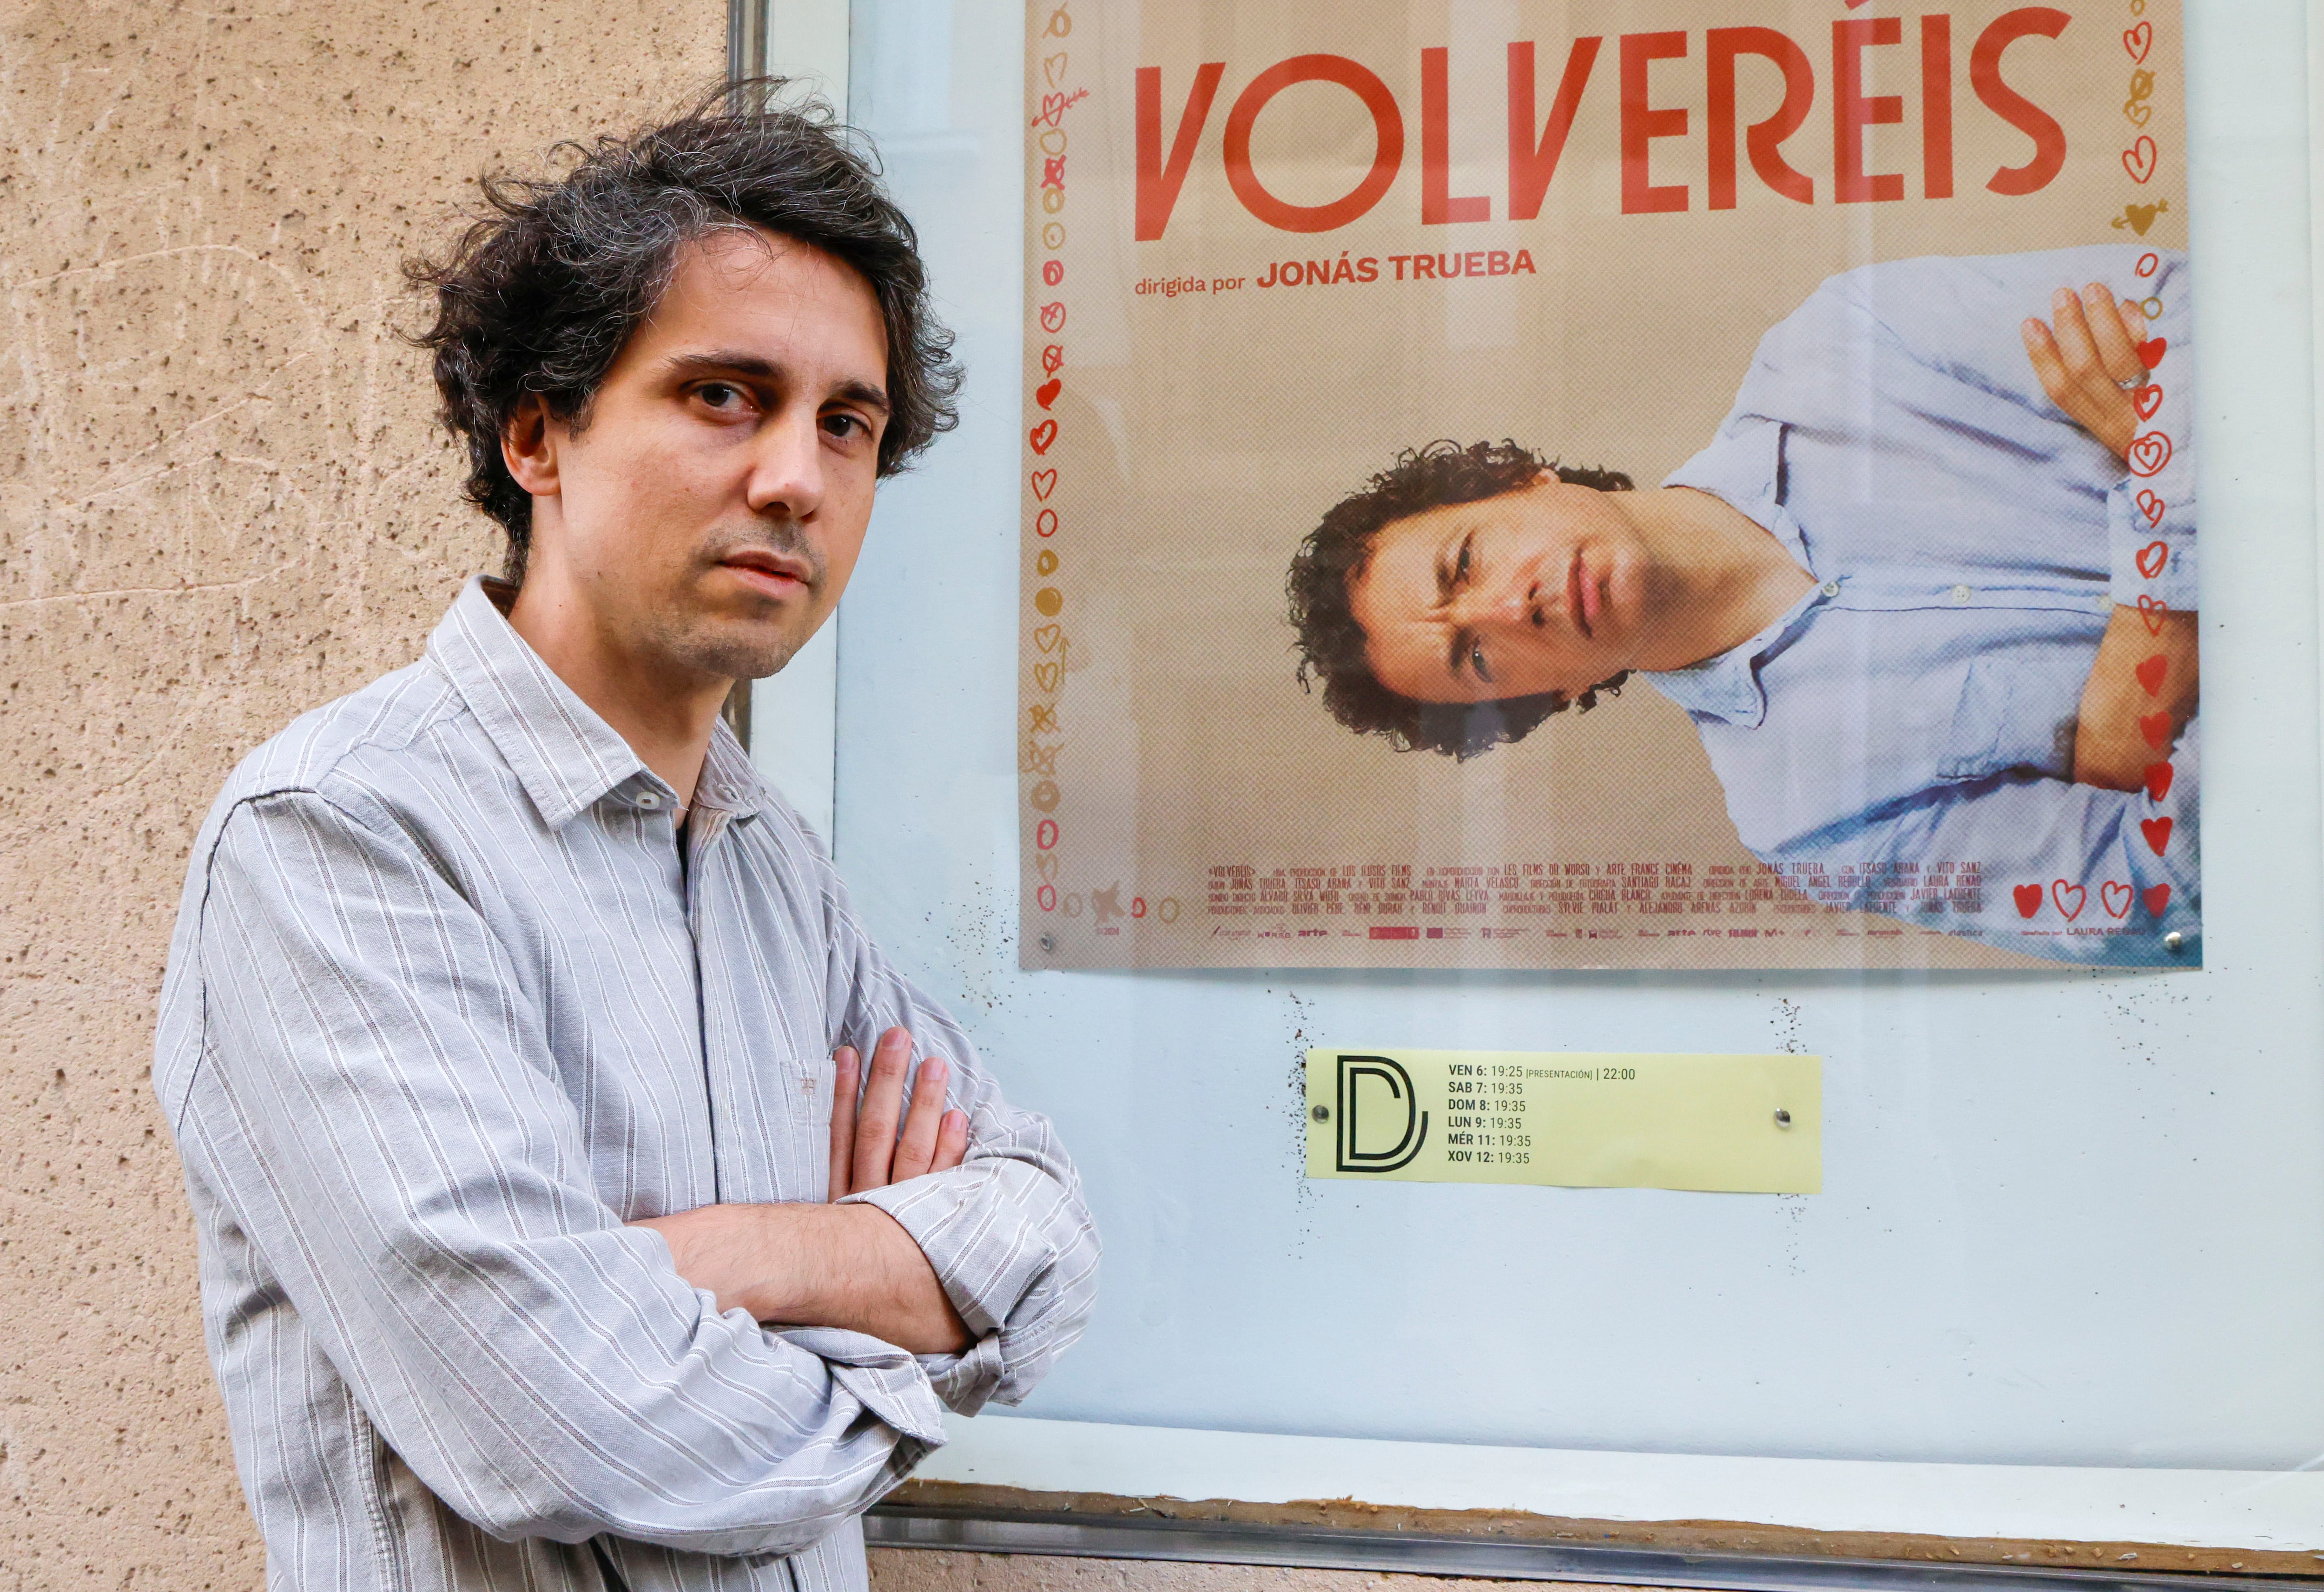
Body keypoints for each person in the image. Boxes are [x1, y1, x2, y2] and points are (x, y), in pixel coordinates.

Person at [151, 85, 1100, 1591]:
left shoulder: (773, 860)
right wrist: (908, 1303)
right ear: (539, 433)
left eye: (846, 422)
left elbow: (1044, 1230)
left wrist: (739, 1250)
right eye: (725, 394)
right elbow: (570, 1425)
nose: (797, 476)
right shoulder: (343, 834)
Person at [1287, 245, 2197, 966]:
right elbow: (2165, 900)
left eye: (1466, 562)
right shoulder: (1808, 822)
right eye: (1475, 661)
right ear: (1550, 699)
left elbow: (2210, 324)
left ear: (1518, 480)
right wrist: (2161, 487)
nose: (1503, 610)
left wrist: (2128, 734)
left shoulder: (1848, 342)